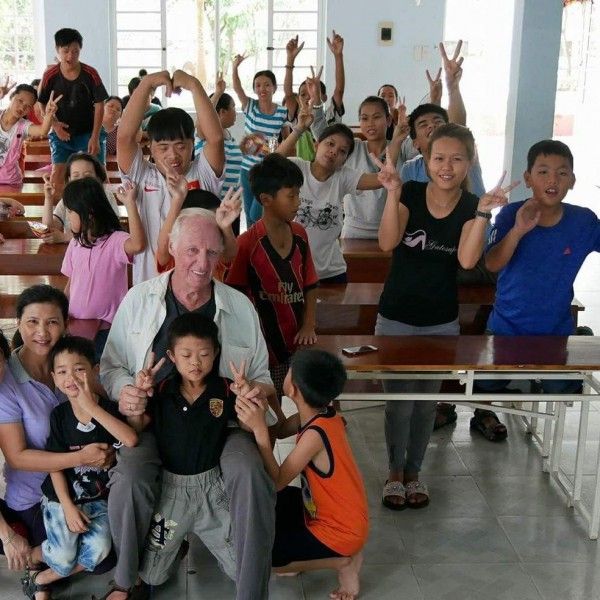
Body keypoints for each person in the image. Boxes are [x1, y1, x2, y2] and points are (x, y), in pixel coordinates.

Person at [99, 209, 281, 600]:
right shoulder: (140, 300)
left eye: (212, 253)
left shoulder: (239, 307)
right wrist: (125, 390)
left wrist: (255, 392)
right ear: (171, 248)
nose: (202, 263)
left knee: (250, 472)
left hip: (222, 424)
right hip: (152, 422)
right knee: (129, 477)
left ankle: (252, 589)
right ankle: (126, 580)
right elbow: (111, 367)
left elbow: (265, 378)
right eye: (193, 250)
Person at [376, 124, 516, 510]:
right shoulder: (410, 192)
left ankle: (413, 473)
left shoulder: (473, 205)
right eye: (439, 158)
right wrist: (390, 195)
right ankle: (393, 473)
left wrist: (485, 213)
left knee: (424, 404)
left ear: (469, 163)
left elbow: (468, 260)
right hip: (396, 317)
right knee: (398, 404)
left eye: (457, 159)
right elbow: (387, 242)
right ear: (426, 159)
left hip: (441, 322)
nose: (447, 167)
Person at [475, 140, 600, 438]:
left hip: (554, 333)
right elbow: (492, 264)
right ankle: (484, 413)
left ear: (572, 179)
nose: (553, 180)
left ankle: (578, 339)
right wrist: (518, 231)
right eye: (543, 172)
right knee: (482, 386)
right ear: (529, 178)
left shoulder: (583, 221)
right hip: (506, 328)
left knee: (562, 390)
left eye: (562, 173)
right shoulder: (511, 215)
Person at [0, 285, 115, 600]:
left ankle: (39, 568)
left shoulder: (72, 359)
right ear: (18, 323)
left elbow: (102, 402)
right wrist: (82, 458)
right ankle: (35, 560)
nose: (42, 332)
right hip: (37, 497)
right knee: (85, 555)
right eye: (32, 322)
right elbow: (18, 457)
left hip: (85, 488)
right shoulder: (6, 378)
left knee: (106, 552)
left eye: (52, 322)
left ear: (66, 324)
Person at [236, 349, 368, 600]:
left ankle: (342, 562)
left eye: (288, 373)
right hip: (329, 510)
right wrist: (265, 399)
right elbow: (282, 428)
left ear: (293, 390)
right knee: (267, 504)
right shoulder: (321, 414)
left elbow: (275, 481)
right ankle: (303, 555)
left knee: (266, 559)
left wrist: (259, 430)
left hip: (341, 531)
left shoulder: (315, 436)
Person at [129, 314, 244, 589]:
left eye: (204, 354)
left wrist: (250, 397)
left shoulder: (227, 389)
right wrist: (139, 395)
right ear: (172, 356)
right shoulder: (161, 390)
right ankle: (177, 546)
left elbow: (250, 428)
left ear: (215, 353)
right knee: (152, 576)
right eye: (187, 354)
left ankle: (206, 539)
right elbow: (134, 430)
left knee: (243, 569)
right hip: (171, 491)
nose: (195, 362)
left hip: (213, 490)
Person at [20, 337, 138, 598]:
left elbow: (130, 439)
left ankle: (42, 577)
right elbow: (55, 464)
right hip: (61, 499)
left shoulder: (108, 410)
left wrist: (90, 407)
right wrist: (68, 507)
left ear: (95, 370)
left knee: (98, 551)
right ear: (54, 376)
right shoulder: (59, 416)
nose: (70, 377)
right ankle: (35, 554)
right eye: (62, 371)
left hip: (99, 500)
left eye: (79, 369)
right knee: (63, 557)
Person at [225, 154, 319, 401]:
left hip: (298, 342)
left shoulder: (300, 235)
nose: (298, 202)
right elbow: (234, 296)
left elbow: (310, 284)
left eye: (299, 193)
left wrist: (309, 324)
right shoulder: (247, 244)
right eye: (291, 196)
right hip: (264, 349)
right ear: (265, 200)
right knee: (270, 412)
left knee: (307, 405)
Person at [276, 96, 400, 283]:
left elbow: (374, 180)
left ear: (345, 160)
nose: (334, 151)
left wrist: (387, 177)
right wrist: (300, 129)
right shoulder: (298, 168)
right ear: (317, 145)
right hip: (293, 268)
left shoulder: (343, 176)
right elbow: (272, 163)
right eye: (330, 144)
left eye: (342, 151)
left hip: (331, 272)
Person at [117, 69, 224, 285]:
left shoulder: (202, 173)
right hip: (149, 283)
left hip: (199, 283)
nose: (172, 156)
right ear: (151, 147)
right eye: (164, 147)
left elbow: (216, 139)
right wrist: (147, 83)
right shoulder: (142, 175)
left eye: (180, 146)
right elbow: (125, 136)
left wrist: (194, 85)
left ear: (192, 145)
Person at [60, 177, 145, 361]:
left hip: (106, 329)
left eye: (70, 211)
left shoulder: (115, 241)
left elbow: (138, 245)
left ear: (89, 213)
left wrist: (130, 204)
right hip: (76, 327)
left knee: (103, 374)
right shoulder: (76, 243)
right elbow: (71, 283)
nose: (67, 216)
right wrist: (62, 313)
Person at [400, 41, 485, 198]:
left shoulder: (464, 153)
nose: (432, 125)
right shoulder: (410, 170)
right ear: (415, 143)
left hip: (475, 222)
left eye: (438, 121)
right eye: (423, 124)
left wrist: (453, 87)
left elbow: (459, 127)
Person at [38, 28, 108, 194]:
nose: (70, 56)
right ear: (57, 50)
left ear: (80, 50)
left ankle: (102, 213)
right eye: (66, 51)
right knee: (57, 177)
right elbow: (42, 105)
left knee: (100, 176)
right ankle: (61, 215)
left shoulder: (91, 74)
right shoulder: (50, 75)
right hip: (61, 134)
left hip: (89, 132)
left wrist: (95, 137)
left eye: (75, 51)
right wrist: (54, 125)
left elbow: (100, 105)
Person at [232, 53, 293, 228]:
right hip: (246, 170)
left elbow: (287, 141)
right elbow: (237, 89)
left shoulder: (282, 112)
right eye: (258, 85)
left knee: (256, 212)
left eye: (266, 85)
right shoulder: (250, 106)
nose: (262, 89)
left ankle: (261, 242)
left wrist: (274, 154)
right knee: (249, 214)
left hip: (266, 172)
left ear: (274, 87)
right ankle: (255, 247)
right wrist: (235, 67)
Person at [155, 162, 241, 278]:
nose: (203, 262)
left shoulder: (214, 252)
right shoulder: (174, 255)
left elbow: (229, 255)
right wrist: (178, 199)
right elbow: (164, 246)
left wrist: (225, 227)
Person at [285, 31, 346, 162]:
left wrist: (338, 56)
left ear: (323, 98)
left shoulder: (331, 116)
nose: (308, 97)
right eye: (303, 94)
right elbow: (288, 95)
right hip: (304, 173)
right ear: (298, 99)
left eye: (314, 93)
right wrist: (290, 59)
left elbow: (339, 90)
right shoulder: (297, 118)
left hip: (329, 170)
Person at [195, 72, 243, 234]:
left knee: (231, 254)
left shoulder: (229, 136)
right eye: (233, 108)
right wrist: (218, 93)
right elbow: (202, 121)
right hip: (212, 208)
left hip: (231, 206)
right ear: (221, 112)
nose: (236, 112)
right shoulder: (206, 138)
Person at [41, 151, 121, 245]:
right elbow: (48, 229)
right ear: (69, 179)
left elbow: (109, 234)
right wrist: (48, 198)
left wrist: (65, 237)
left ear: (97, 177)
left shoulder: (106, 196)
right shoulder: (67, 200)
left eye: (87, 176)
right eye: (76, 176)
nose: (82, 181)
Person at [0, 83, 61, 185]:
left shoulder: (23, 126)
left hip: (10, 181)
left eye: (28, 106)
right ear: (11, 97)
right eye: (20, 100)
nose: (22, 107)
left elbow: (42, 130)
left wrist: (49, 114)